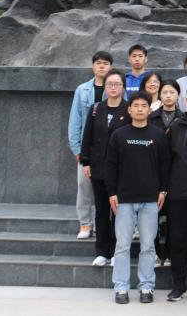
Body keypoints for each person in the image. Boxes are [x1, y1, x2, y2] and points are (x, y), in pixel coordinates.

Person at [106, 92, 169, 304]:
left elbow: (165, 164)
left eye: (144, 105)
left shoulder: (158, 134)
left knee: (148, 245)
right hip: (123, 198)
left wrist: (163, 190)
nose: (140, 109)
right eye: (136, 105)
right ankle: (121, 287)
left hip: (150, 199)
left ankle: (146, 287)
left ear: (149, 109)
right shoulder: (119, 134)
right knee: (122, 245)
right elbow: (111, 165)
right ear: (129, 109)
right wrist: (112, 193)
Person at [80, 70, 130, 267]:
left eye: (117, 84)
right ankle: (102, 251)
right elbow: (88, 137)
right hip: (99, 168)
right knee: (101, 209)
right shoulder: (96, 109)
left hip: (122, 170)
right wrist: (86, 162)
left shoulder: (128, 109)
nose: (113, 87)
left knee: (120, 212)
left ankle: (118, 250)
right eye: (110, 84)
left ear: (123, 87)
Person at [68, 51, 112, 240]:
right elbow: (75, 120)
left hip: (110, 149)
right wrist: (77, 149)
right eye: (98, 63)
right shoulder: (82, 90)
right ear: (93, 66)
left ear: (111, 66)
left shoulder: (117, 88)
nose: (102, 66)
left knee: (107, 189)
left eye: (105, 63)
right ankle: (85, 223)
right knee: (84, 186)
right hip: (88, 148)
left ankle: (103, 223)